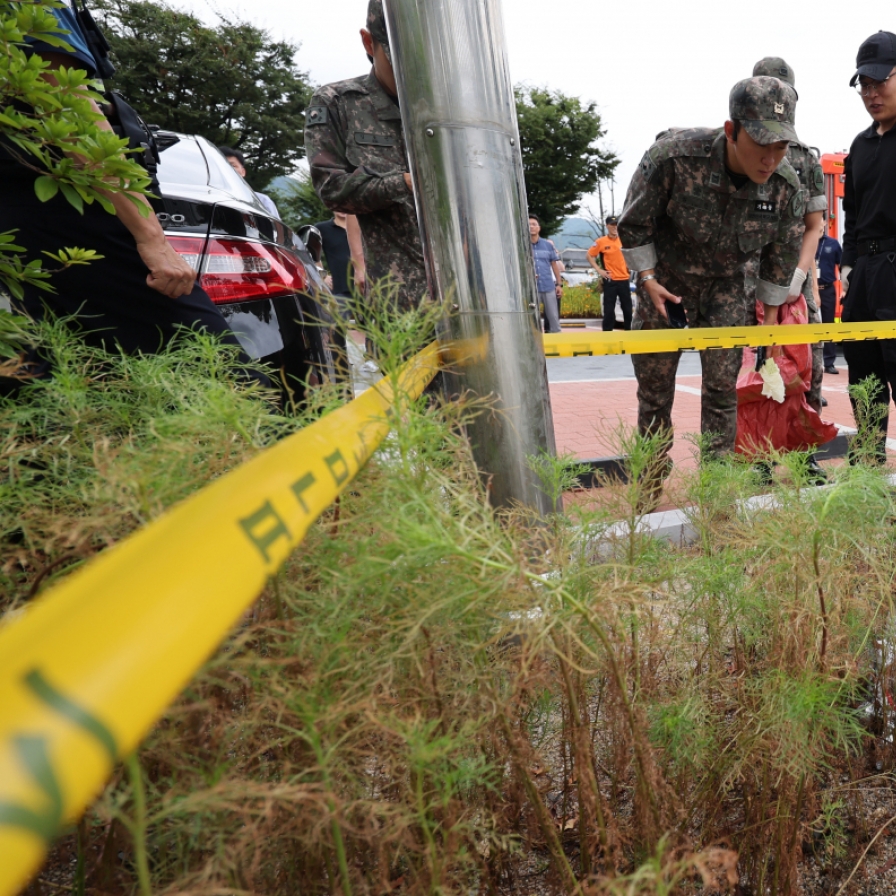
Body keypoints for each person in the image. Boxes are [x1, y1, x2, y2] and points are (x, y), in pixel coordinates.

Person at [0, 2, 264, 383]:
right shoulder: (36, 5)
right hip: (71, 210)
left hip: (34, 221)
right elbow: (71, 112)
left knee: (62, 380)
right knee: (224, 376)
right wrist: (151, 238)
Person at [617, 76, 805, 503]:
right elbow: (633, 222)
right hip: (665, 286)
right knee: (654, 395)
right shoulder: (675, 156)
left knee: (723, 394)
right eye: (761, 144)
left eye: (781, 147)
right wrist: (647, 280)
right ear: (731, 131)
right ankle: (645, 495)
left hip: (728, 290)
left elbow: (781, 256)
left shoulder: (784, 185)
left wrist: (769, 332)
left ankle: (717, 496)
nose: (770, 159)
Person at [304, 0, 427, 315]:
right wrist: (403, 183)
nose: (411, 70)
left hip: (470, 295)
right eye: (399, 58)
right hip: (399, 302)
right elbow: (331, 189)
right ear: (369, 42)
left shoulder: (450, 106)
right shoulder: (338, 103)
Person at [751, 58, 828, 418]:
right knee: (757, 361)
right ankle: (759, 453)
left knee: (809, 358)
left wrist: (799, 276)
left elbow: (815, 224)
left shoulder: (804, 158)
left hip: (796, 270)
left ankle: (806, 445)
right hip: (750, 274)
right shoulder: (740, 149)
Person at [314, 212, 366, 314]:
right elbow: (312, 255)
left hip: (366, 288)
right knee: (339, 326)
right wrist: (323, 276)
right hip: (340, 289)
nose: (342, 210)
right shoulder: (321, 228)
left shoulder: (363, 226)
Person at [587, 215, 632, 331]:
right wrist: (599, 270)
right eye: (612, 225)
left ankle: (630, 334)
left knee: (627, 309)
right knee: (609, 310)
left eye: (616, 224)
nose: (614, 227)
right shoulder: (601, 242)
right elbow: (589, 256)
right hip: (610, 280)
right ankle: (607, 336)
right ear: (607, 226)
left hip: (624, 279)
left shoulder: (624, 239)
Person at [219, 146, 281, 219]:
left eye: (232, 165)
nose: (227, 168)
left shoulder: (262, 201)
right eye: (221, 165)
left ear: (243, 172)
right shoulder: (208, 197)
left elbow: (276, 229)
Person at [815, 219, 843, 374]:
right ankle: (808, 361)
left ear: (825, 223)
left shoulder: (833, 244)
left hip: (827, 290)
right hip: (809, 291)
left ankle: (829, 362)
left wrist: (845, 288)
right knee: (806, 325)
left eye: (819, 219)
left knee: (828, 324)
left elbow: (842, 264)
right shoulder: (807, 241)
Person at [528, 216, 563, 333]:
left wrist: (559, 284)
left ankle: (558, 341)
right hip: (531, 288)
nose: (531, 227)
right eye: (529, 224)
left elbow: (554, 265)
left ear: (539, 228)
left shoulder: (548, 245)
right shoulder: (521, 245)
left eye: (534, 224)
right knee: (531, 317)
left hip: (548, 286)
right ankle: (534, 342)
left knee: (553, 316)